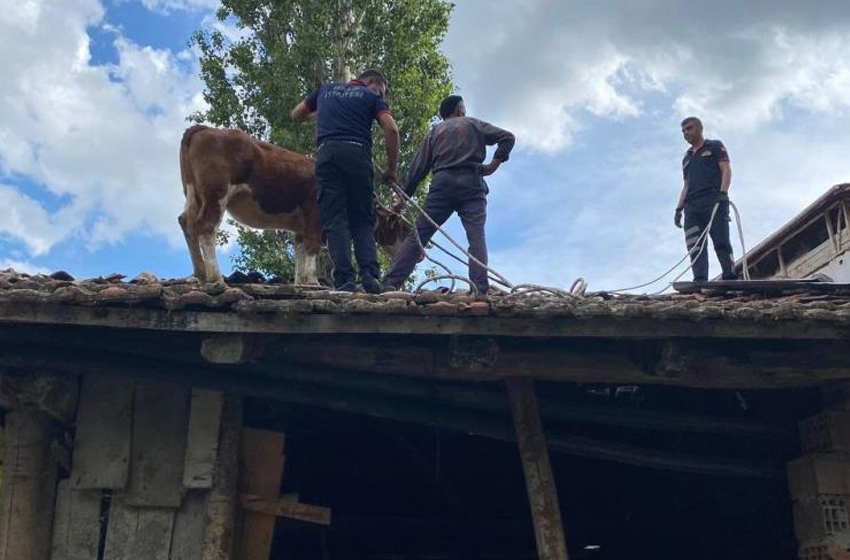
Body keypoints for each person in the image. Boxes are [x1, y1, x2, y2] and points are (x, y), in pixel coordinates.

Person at [382, 95, 514, 293]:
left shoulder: (435, 132)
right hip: (472, 184)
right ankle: (479, 289)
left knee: (419, 236)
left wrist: (401, 202)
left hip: (442, 184)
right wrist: (492, 165)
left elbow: (417, 171)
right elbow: (508, 137)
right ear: (459, 109)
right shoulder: (473, 124)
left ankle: (390, 283)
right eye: (464, 108)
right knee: (476, 236)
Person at [291, 69, 400, 292]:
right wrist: (391, 169)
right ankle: (370, 277)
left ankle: (345, 280)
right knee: (361, 220)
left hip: (327, 155)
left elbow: (296, 114)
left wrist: (321, 114)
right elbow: (391, 128)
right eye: (380, 91)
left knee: (335, 220)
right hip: (358, 155)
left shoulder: (325, 91)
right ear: (371, 82)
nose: (380, 96)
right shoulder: (371, 99)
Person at [675, 116, 737, 282]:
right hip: (692, 206)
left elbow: (726, 170)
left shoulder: (714, 146)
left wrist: (723, 194)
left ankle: (729, 276)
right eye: (683, 131)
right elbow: (686, 185)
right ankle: (700, 279)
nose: (686, 133)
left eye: (689, 128)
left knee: (721, 240)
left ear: (699, 128)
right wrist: (678, 209)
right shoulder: (687, 158)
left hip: (714, 199)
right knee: (695, 245)